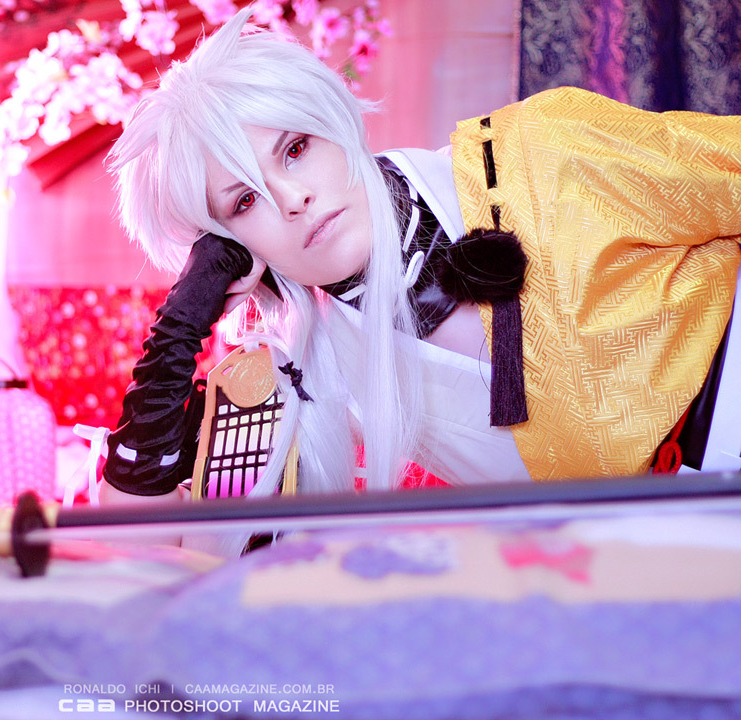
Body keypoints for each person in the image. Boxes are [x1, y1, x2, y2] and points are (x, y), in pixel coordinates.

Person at [95, 6, 741, 526]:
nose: (291, 199)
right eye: (243, 201)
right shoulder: (317, 370)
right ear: (227, 245)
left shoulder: (541, 148)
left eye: (295, 149)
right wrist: (179, 328)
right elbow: (136, 545)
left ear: (335, 124)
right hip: (682, 556)